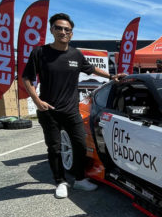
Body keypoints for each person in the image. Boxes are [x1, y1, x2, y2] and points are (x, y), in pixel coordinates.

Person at [22, 13, 125, 199]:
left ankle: (79, 180)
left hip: (71, 109)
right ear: (51, 30)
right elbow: (26, 78)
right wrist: (37, 101)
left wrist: (111, 77)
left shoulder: (76, 54)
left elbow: (90, 69)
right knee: (54, 148)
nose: (63, 32)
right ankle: (60, 181)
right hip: (48, 110)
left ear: (71, 33)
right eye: (59, 28)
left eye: (67, 29)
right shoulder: (40, 53)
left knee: (79, 145)